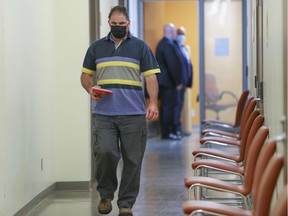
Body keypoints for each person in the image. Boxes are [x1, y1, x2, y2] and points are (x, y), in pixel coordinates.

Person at [80, 6, 160, 216]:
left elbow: (151, 77)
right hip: (104, 114)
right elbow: (85, 76)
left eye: (121, 25)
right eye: (114, 25)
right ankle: (106, 195)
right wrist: (90, 89)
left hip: (133, 115)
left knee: (133, 160)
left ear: (128, 24)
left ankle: (126, 204)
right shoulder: (96, 48)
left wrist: (152, 102)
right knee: (105, 153)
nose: (117, 28)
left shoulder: (141, 48)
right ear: (109, 23)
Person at [155, 23, 183, 140]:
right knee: (168, 108)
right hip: (168, 83)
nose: (175, 34)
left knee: (168, 107)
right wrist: (177, 81)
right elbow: (172, 65)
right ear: (170, 32)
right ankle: (167, 133)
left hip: (166, 82)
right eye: (174, 32)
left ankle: (169, 131)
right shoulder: (166, 45)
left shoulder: (165, 44)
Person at [174, 26, 193, 137]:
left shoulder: (183, 48)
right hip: (178, 84)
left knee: (180, 106)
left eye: (183, 34)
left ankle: (179, 128)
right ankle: (176, 129)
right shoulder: (175, 48)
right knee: (176, 107)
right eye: (180, 33)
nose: (181, 36)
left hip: (184, 83)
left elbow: (187, 65)